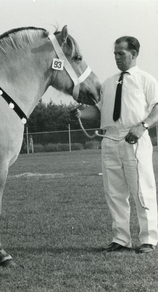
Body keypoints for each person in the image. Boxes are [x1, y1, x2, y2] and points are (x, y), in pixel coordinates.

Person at [74, 36, 158, 253]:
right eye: (115, 53)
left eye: (121, 53)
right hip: (110, 139)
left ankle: (148, 240)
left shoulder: (146, 79)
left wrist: (143, 126)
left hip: (135, 138)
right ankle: (121, 238)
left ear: (134, 53)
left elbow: (156, 108)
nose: (117, 57)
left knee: (141, 190)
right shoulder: (109, 83)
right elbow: (100, 111)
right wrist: (80, 113)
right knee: (114, 192)